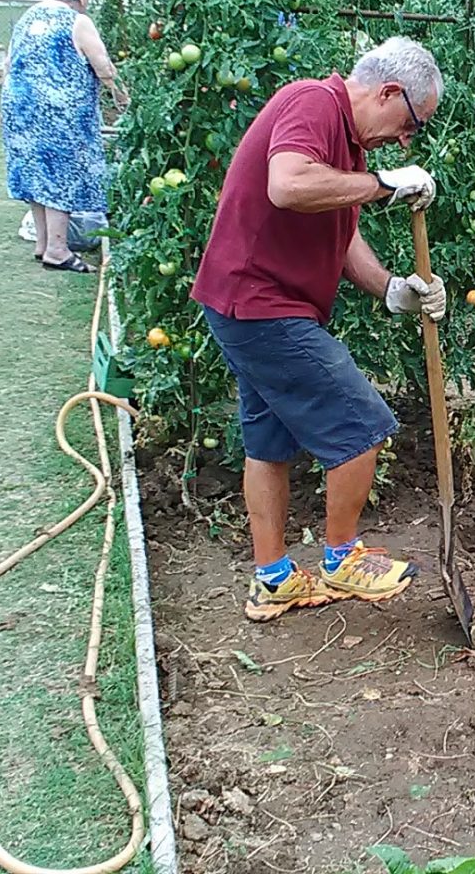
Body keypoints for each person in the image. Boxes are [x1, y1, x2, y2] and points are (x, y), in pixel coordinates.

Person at [190, 36, 447, 623]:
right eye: (411, 124)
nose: (406, 140)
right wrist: (386, 182)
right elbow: (289, 185)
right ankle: (341, 558)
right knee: (363, 426)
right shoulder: (312, 102)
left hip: (250, 305)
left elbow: (341, 230)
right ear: (388, 92)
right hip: (260, 306)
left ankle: (274, 579)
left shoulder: (347, 145)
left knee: (269, 444)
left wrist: (389, 288)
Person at [1, 0, 128, 273]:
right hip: (59, 118)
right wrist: (122, 95)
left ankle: (43, 244)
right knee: (59, 178)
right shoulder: (77, 21)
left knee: (36, 175)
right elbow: (104, 68)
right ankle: (58, 250)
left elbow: (8, 64)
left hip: (20, 111)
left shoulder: (29, 16)